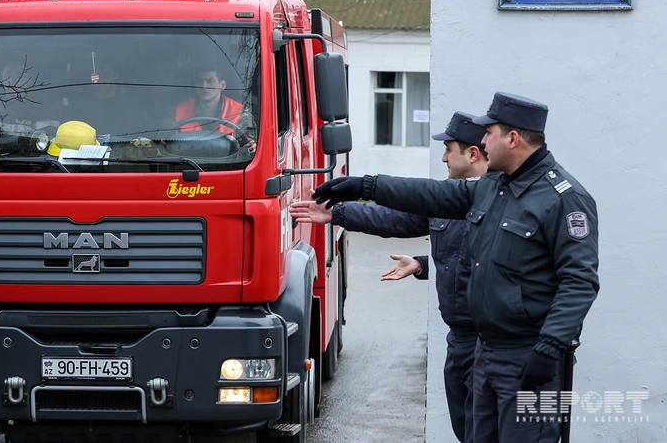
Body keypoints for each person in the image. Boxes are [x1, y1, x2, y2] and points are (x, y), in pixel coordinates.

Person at [311, 92, 600, 443]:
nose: (482, 140)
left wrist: (551, 346)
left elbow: (580, 280)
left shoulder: (564, 198)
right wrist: (369, 186)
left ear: (512, 138)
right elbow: (431, 196)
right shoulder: (494, 186)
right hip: (486, 351)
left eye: (489, 132)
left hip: (531, 359)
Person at [289, 111, 488, 443]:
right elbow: (394, 219)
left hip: (488, 343)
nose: (442, 156)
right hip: (460, 342)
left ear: (473, 154)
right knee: (464, 429)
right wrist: (338, 213)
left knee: (485, 431)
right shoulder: (449, 198)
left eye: (448, 148)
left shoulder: (495, 203)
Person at [173, 68, 257, 151]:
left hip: (229, 163)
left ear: (222, 85)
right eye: (199, 81)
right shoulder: (178, 110)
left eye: (210, 81)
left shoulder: (240, 112)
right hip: (187, 162)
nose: (204, 86)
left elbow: (250, 143)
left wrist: (251, 145)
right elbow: (164, 141)